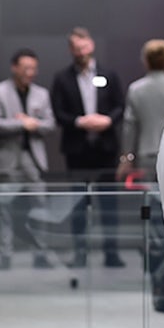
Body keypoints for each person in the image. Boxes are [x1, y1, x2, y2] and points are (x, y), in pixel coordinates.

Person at [115, 40, 164, 310]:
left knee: (153, 222)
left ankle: (156, 284)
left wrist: (125, 158)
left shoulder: (136, 89)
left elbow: (129, 127)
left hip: (145, 158)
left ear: (145, 60)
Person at [50, 27, 126, 268]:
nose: (80, 51)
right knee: (78, 204)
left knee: (109, 204)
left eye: (83, 46)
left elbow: (120, 106)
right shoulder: (62, 78)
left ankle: (111, 253)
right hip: (77, 149)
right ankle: (80, 253)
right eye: (75, 47)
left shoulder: (109, 75)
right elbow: (58, 111)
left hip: (105, 148)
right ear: (71, 50)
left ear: (91, 45)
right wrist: (80, 121)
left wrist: (107, 120)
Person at [0, 48, 57, 269]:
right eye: (26, 68)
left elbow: (50, 124)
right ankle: (5, 254)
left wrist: (31, 123)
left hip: (33, 159)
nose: (30, 72)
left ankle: (40, 252)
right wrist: (21, 123)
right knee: (3, 209)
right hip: (6, 159)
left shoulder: (41, 94)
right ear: (14, 67)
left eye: (33, 68)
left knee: (39, 205)